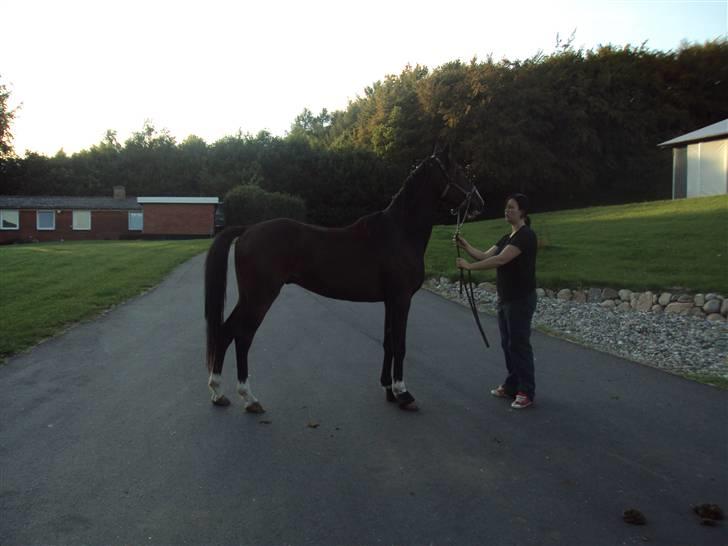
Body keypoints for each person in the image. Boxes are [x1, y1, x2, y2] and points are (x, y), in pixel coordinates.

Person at [455, 193, 538, 409]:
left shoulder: (525, 236)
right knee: (507, 344)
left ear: (522, 212)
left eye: (511, 207)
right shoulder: (506, 237)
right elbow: (484, 256)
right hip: (506, 298)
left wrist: (469, 267)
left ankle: (526, 391)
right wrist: (466, 246)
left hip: (520, 298)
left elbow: (500, 259)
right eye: (506, 207)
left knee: (519, 344)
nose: (507, 211)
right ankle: (512, 385)